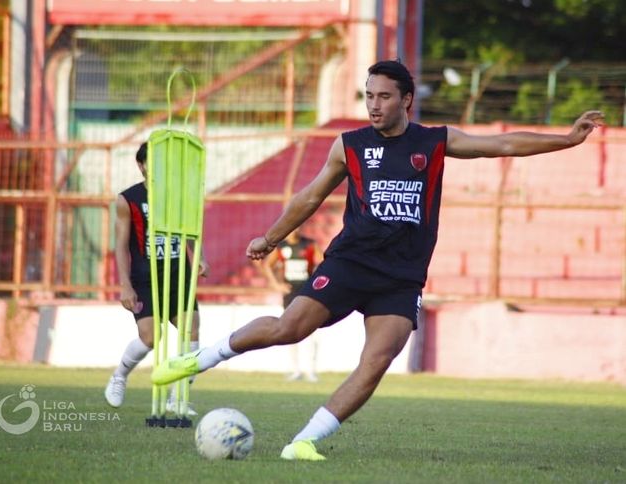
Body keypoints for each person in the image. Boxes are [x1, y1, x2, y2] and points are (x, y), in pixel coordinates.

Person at [151, 60, 604, 460]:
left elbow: (501, 144)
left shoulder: (435, 142)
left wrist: (566, 139)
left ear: (407, 99)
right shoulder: (349, 145)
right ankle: (199, 359)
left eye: (384, 96)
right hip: (351, 261)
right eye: (369, 95)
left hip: (401, 278)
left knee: (375, 363)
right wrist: (271, 237)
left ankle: (303, 442)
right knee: (289, 328)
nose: (374, 105)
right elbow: (310, 196)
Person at [105, 141, 208, 416]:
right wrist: (125, 284)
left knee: (192, 331)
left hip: (178, 274)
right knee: (151, 337)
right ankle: (119, 376)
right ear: (141, 166)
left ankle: (178, 396)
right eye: (151, 162)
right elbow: (121, 245)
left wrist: (195, 257)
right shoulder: (127, 200)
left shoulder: (176, 194)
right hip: (146, 276)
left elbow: (187, 231)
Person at [262, 229, 323, 382]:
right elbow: (267, 265)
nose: (295, 229)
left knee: (311, 330)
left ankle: (311, 370)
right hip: (289, 293)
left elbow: (323, 263)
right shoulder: (281, 247)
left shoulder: (309, 245)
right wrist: (276, 285)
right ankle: (295, 370)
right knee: (289, 329)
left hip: (307, 291)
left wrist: (316, 283)